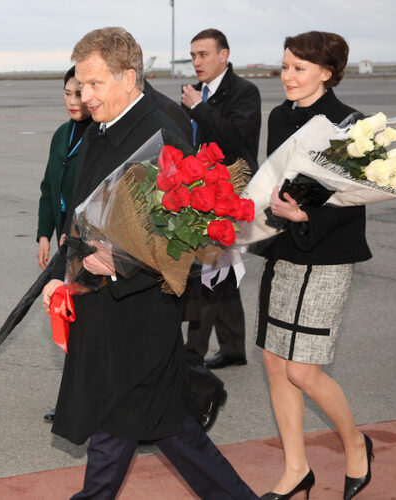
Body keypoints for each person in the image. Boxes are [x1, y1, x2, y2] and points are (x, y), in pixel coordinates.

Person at [42, 27, 257, 500]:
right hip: (104, 306)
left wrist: (117, 263)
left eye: (95, 84)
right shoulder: (100, 129)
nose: (84, 95)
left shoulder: (163, 135)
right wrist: (64, 275)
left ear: (129, 78)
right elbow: (81, 213)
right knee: (168, 427)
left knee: (118, 420)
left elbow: (180, 238)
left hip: (138, 312)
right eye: (80, 85)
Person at [257, 32, 373, 500]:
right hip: (283, 250)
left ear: (326, 72)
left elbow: (355, 199)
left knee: (303, 371)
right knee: (273, 362)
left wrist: (309, 214)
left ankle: (356, 445)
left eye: (298, 68)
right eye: (284, 67)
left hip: (327, 255)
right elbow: (276, 177)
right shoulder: (279, 116)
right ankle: (296, 471)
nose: (287, 76)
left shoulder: (352, 123)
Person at [181, 28, 261, 370]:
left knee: (208, 272)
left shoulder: (244, 92)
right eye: (193, 56)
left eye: (203, 54)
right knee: (222, 271)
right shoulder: (193, 93)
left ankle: (191, 356)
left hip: (230, 194)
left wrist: (199, 108)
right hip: (199, 193)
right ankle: (232, 348)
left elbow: (237, 139)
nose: (196, 62)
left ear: (223, 55)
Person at [36, 66, 92, 270]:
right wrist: (44, 235)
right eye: (67, 94)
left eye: (79, 94)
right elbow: (49, 187)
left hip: (87, 240)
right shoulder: (61, 134)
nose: (72, 101)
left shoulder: (98, 135)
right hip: (61, 233)